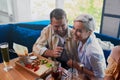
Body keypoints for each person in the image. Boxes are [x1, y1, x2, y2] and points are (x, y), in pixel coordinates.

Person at [67, 14, 106, 80]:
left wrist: (77, 66)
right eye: (74, 28)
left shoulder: (92, 52)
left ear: (89, 32)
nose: (74, 32)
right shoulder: (82, 39)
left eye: (79, 31)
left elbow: (100, 75)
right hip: (86, 73)